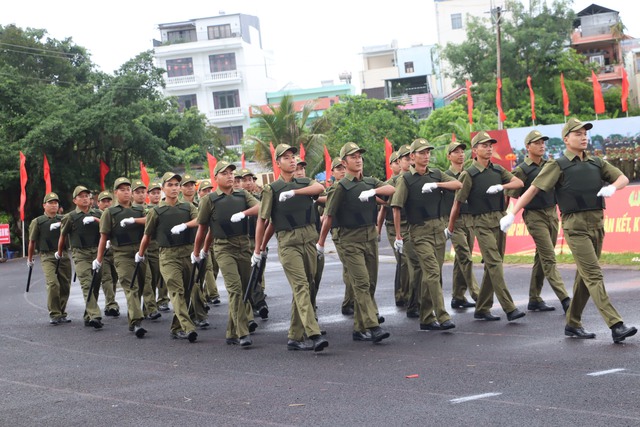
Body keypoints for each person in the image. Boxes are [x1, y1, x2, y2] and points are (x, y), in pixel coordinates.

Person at [501, 118, 637, 343]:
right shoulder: (558, 165)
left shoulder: (596, 162)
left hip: (596, 223)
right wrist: (512, 213)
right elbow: (533, 189)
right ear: (566, 139)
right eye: (578, 133)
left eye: (585, 133)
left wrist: (613, 187)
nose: (584, 137)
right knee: (593, 273)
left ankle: (573, 323)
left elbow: (623, 177)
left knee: (585, 277)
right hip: (575, 227)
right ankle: (616, 324)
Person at [254, 143, 328, 352]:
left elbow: (320, 188)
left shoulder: (304, 183)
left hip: (308, 240)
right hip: (288, 243)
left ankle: (295, 337)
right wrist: (258, 249)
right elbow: (264, 221)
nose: (292, 160)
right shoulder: (272, 189)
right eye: (286, 157)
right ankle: (313, 333)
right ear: (278, 163)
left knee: (308, 284)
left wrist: (295, 193)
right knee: (301, 286)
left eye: (293, 156)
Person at [318, 142, 395, 343]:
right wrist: (320, 243)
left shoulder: (370, 182)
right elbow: (329, 216)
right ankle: (373, 326)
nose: (358, 159)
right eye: (353, 157)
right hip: (349, 240)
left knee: (370, 283)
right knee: (361, 283)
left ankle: (359, 328)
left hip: (369, 237)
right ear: (344, 162)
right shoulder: (340, 187)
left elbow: (391, 188)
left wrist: (372, 192)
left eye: (360, 155)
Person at [446, 131, 525, 322]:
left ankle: (482, 308)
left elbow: (519, 182)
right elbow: (458, 203)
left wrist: (502, 187)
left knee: (492, 265)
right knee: (495, 263)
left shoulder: (497, 171)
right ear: (475, 150)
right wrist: (450, 228)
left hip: (499, 220)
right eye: (484, 145)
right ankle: (509, 307)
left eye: (490, 145)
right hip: (480, 223)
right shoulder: (469, 174)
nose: (489, 148)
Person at [391, 138, 462, 331]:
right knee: (431, 272)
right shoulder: (405, 179)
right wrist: (398, 235)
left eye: (428, 152)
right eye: (421, 153)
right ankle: (442, 315)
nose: (426, 156)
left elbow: (458, 185)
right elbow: (396, 207)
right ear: (412, 157)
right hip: (419, 231)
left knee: (432, 275)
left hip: (438, 229)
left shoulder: (436, 174)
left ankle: (426, 317)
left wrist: (437, 185)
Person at [193, 161, 260, 347]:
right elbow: (203, 229)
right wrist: (198, 252)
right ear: (216, 178)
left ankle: (231, 332)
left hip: (244, 245)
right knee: (235, 289)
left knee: (245, 288)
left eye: (232, 172)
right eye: (225, 173)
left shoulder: (242, 194)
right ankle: (242, 332)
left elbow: (261, 207)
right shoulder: (209, 200)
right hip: (223, 247)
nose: (230, 176)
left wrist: (244, 214)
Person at [506, 130, 570, 313]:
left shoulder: (551, 165)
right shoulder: (522, 170)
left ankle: (534, 298)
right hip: (534, 216)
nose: (542, 145)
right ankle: (565, 299)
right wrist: (505, 215)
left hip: (551, 212)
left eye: (543, 142)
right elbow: (510, 194)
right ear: (528, 147)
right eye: (537, 142)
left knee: (541, 256)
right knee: (549, 256)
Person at [138, 172, 200, 342]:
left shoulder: (187, 207)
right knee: (176, 291)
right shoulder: (156, 211)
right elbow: (147, 235)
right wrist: (140, 254)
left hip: (187, 253)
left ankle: (176, 327)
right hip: (168, 255)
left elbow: (200, 220)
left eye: (176, 185)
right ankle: (188, 327)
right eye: (170, 185)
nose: (174, 188)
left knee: (187, 291)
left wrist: (184, 225)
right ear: (163, 188)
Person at [94, 177, 148, 338]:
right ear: (115, 192)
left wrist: (134, 220)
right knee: (131, 286)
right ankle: (137, 322)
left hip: (139, 252)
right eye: (122, 189)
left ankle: (133, 317)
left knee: (141, 285)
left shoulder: (139, 210)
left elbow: (150, 222)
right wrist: (99, 259)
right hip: (121, 253)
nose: (126, 192)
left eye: (128, 189)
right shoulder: (110, 212)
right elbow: (104, 237)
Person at [378, 144, 422, 317]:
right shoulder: (390, 183)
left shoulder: (414, 179)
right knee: (403, 262)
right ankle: (402, 296)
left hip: (411, 224)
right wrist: (378, 229)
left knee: (412, 262)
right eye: (402, 159)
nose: (407, 162)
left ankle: (411, 297)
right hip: (394, 226)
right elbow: (383, 208)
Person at [57, 186, 105, 329]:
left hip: (96, 252)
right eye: (81, 196)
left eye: (87, 196)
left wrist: (96, 220)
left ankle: (88, 314)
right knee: (87, 283)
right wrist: (59, 252)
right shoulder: (70, 217)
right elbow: (63, 236)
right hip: (80, 254)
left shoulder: (99, 213)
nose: (85, 198)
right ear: (75, 200)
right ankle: (95, 315)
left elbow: (109, 228)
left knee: (95, 284)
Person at [442, 141, 480, 308]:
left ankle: (458, 296)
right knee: (465, 256)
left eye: (462, 151)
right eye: (455, 152)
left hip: (469, 220)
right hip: (454, 222)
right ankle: (478, 295)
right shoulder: (445, 177)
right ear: (449, 156)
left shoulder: (469, 174)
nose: (460, 154)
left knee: (460, 259)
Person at [27, 192, 72, 325]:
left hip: (62, 254)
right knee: (53, 283)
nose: (53, 205)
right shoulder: (38, 222)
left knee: (65, 285)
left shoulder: (63, 219)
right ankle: (54, 313)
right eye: (50, 203)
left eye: (56, 203)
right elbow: (32, 241)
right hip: (47, 256)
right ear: (44, 205)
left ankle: (62, 312)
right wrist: (29, 259)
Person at [239, 168, 268, 319]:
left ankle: (256, 296)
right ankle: (259, 302)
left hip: (260, 239)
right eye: (244, 180)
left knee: (258, 271)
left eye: (250, 179)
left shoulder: (260, 196)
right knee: (251, 273)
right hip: (245, 240)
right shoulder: (239, 198)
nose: (248, 182)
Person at [131, 180, 161, 321]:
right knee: (145, 279)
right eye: (138, 192)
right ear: (132, 194)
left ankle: (145, 308)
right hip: (137, 248)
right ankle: (150, 307)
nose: (141, 195)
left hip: (153, 247)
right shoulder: (130, 209)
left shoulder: (150, 209)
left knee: (154, 277)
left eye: (143, 192)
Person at [196, 180, 222, 307]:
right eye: (204, 190)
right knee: (207, 268)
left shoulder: (215, 204)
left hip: (213, 240)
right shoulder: (195, 205)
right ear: (199, 193)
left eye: (209, 190)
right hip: (200, 243)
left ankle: (206, 294)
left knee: (215, 268)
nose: (207, 193)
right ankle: (213, 294)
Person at [147, 181, 171, 312]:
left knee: (163, 276)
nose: (156, 195)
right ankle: (150, 302)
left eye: (158, 193)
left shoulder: (165, 207)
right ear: (148, 195)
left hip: (162, 246)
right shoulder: (145, 209)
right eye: (153, 193)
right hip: (149, 248)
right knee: (151, 277)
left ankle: (163, 299)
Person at [96, 191, 120, 317]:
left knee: (115, 279)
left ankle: (109, 303)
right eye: (103, 201)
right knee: (106, 278)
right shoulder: (95, 214)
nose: (106, 203)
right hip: (103, 253)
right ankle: (111, 304)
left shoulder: (115, 214)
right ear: (98, 203)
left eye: (108, 201)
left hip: (115, 252)